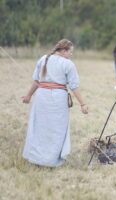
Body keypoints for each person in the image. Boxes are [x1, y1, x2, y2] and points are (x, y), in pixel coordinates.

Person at [22, 39, 88, 167]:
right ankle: (50, 160)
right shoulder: (68, 64)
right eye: (70, 52)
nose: (71, 54)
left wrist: (29, 95)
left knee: (41, 128)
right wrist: (83, 104)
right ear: (64, 51)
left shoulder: (43, 59)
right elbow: (74, 86)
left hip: (42, 96)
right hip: (57, 99)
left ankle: (39, 158)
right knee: (56, 130)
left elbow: (36, 81)